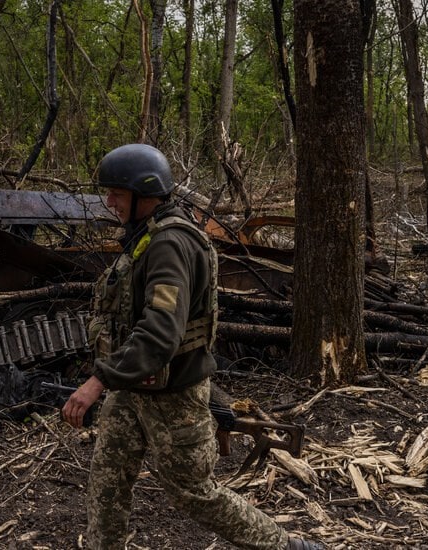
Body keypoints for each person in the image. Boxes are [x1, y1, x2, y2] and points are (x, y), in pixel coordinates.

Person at [61, 144, 324, 550]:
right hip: (133, 388)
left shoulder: (170, 245)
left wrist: (97, 381)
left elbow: (160, 333)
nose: (108, 202)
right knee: (108, 481)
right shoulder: (145, 237)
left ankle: (290, 548)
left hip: (173, 396)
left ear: (143, 193)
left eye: (115, 193)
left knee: (195, 494)